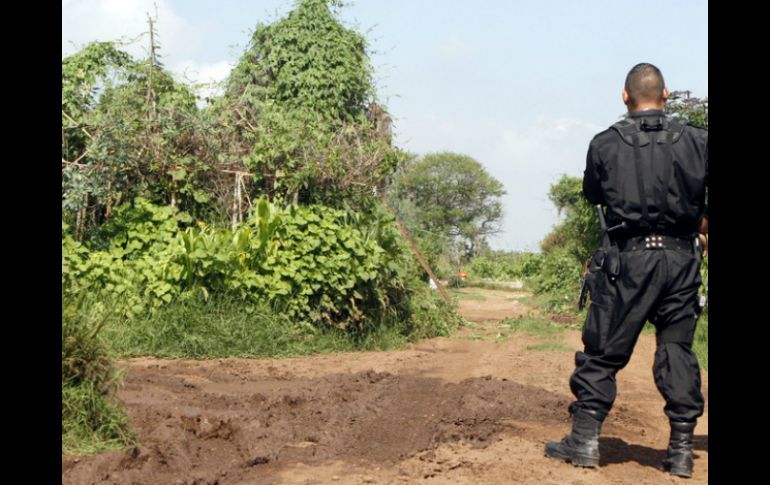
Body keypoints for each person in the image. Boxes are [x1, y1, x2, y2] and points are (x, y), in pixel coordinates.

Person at [544, 63, 708, 478]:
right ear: (666, 94)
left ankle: (583, 441)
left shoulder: (604, 143)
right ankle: (682, 450)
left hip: (628, 261)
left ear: (624, 97)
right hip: (681, 261)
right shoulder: (699, 142)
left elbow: (593, 195)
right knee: (677, 351)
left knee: (603, 351)